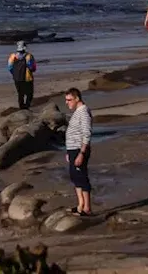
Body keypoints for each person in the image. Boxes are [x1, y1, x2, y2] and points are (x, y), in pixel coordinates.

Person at [63, 88, 94, 217]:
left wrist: (81, 153)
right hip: (72, 150)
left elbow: (86, 133)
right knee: (75, 177)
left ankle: (87, 208)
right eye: (66, 100)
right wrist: (68, 152)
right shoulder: (77, 112)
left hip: (79, 150)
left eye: (69, 100)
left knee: (81, 178)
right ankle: (80, 205)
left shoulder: (84, 112)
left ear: (77, 99)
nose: (67, 103)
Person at [7, 41, 37, 110]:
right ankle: (26, 107)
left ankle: (22, 108)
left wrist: (15, 74)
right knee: (29, 94)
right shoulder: (29, 56)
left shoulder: (12, 56)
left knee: (20, 94)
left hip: (17, 79)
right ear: (25, 47)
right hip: (27, 78)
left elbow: (9, 67)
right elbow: (32, 67)